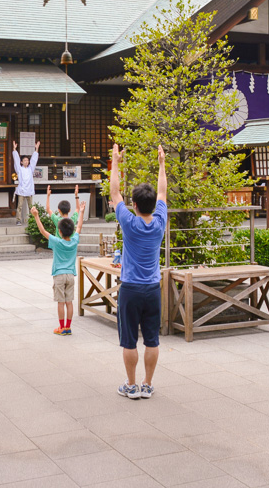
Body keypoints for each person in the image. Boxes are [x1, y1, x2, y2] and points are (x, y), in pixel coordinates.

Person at [109, 143, 167, 400]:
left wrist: (115, 161)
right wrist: (162, 164)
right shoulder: (160, 222)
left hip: (130, 288)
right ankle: (147, 384)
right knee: (152, 340)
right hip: (153, 289)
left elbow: (114, 192)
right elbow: (163, 190)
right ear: (154, 204)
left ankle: (131, 386)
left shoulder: (129, 222)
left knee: (129, 339)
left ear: (133, 204)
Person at [31, 199, 86, 335]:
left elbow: (43, 231)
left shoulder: (57, 242)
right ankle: (68, 327)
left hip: (59, 275)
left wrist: (36, 216)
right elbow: (79, 227)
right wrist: (82, 212)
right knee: (69, 302)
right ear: (71, 231)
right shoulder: (74, 241)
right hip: (70, 275)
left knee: (61, 303)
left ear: (59, 232)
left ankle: (61, 328)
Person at [12, 139, 40, 226]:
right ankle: (18, 220)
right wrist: (14, 150)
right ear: (21, 162)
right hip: (21, 190)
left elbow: (34, 160)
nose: (26, 162)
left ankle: (33, 220)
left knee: (31, 207)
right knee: (19, 206)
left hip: (29, 190)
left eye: (27, 160)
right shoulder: (19, 169)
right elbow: (16, 161)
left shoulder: (30, 169)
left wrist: (36, 149)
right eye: (24, 160)